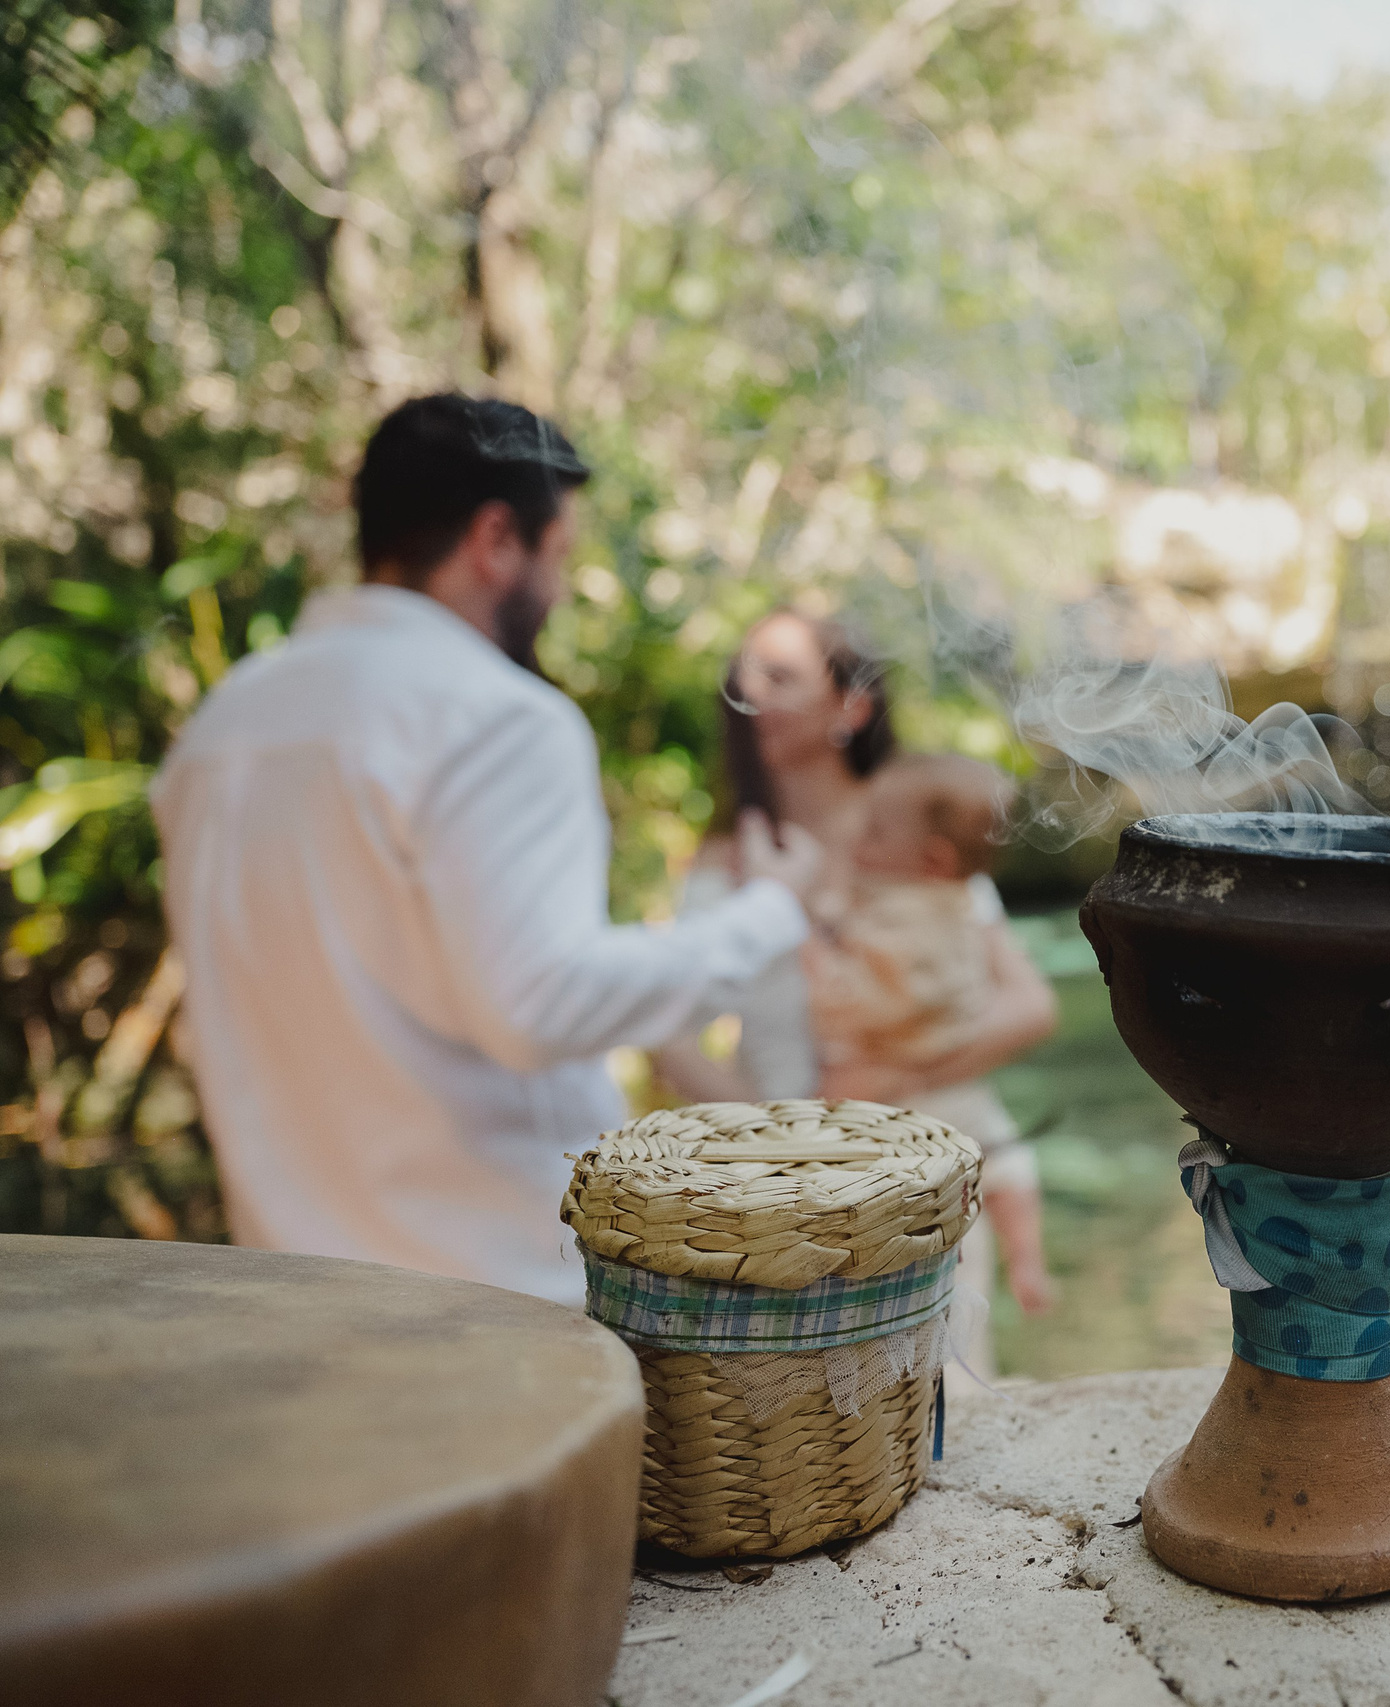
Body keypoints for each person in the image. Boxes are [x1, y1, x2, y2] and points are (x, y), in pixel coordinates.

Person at [153, 395, 824, 1305]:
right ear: (497, 538)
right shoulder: (495, 717)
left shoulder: (222, 727)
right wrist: (769, 912)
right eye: (558, 558)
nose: (557, 591)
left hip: (294, 1301)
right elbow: (543, 1001)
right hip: (496, 1312)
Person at [658, 612, 1059, 1328]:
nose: (746, 691)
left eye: (778, 676)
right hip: (785, 1205)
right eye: (741, 674)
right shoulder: (722, 862)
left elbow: (1029, 1004)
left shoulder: (917, 838)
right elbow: (667, 1038)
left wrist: (897, 1081)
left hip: (927, 1191)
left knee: (944, 1412)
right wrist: (776, 1140)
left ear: (853, 703)